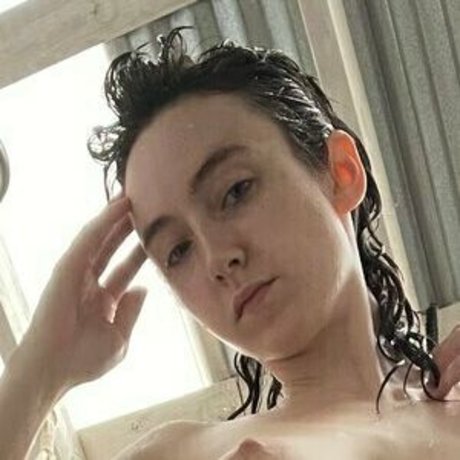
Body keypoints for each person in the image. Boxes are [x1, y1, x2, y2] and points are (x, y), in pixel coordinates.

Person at [1, 25, 460, 459]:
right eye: (178, 250)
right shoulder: (181, 454)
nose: (218, 258)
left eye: (235, 191)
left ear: (341, 172)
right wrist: (38, 369)